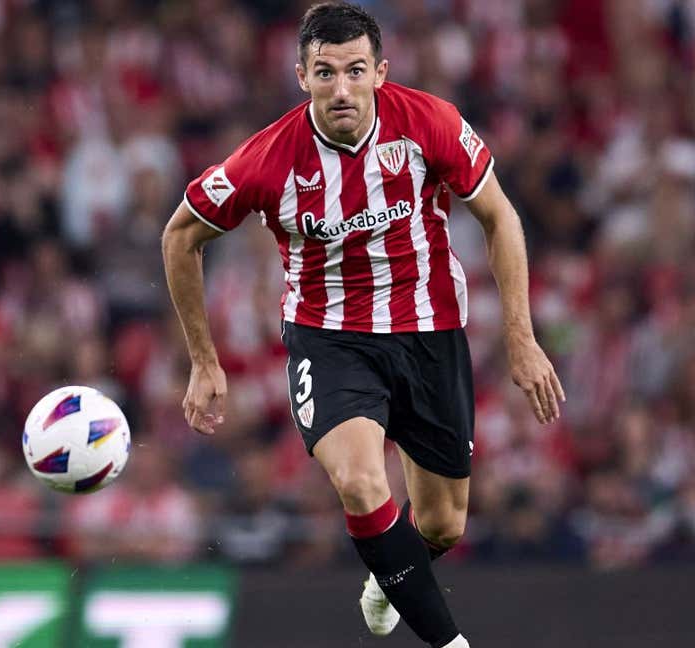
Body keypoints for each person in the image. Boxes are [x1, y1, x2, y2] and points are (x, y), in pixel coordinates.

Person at [161, 3, 564, 646]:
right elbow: (181, 235)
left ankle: (389, 573)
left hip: (430, 330)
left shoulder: (430, 122)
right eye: (325, 73)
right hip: (329, 337)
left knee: (441, 525)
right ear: (302, 77)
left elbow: (500, 217)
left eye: (354, 71)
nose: (341, 89)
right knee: (358, 479)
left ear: (380, 71)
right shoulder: (267, 160)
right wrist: (203, 359)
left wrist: (521, 336)